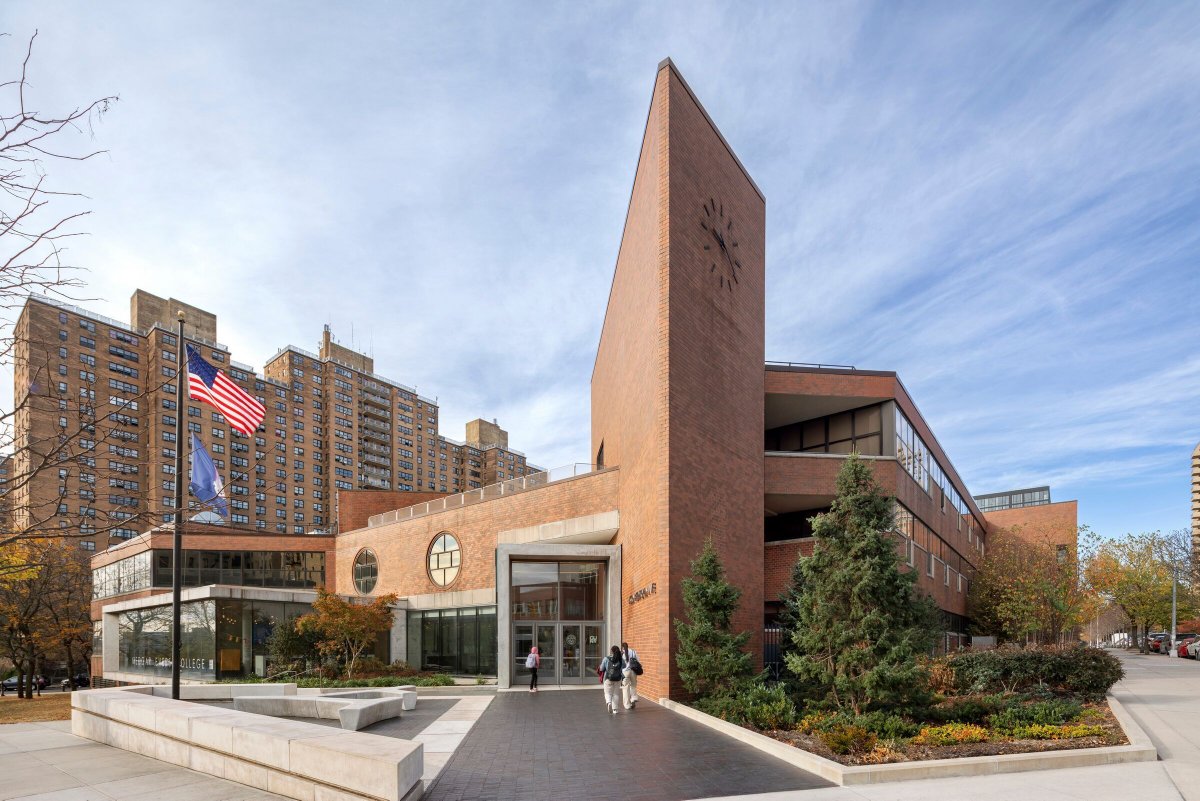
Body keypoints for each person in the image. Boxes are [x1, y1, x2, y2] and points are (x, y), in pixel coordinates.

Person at [599, 645, 624, 714]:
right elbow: (623, 667)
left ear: (611, 651)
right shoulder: (620, 659)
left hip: (608, 678)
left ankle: (609, 702)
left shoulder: (606, 658)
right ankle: (615, 710)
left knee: (607, 692)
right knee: (615, 694)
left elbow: (601, 668)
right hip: (618, 678)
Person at [620, 641, 640, 709]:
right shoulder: (633, 652)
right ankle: (634, 698)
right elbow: (638, 660)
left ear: (622, 647)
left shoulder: (622, 653)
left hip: (625, 672)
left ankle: (627, 705)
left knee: (625, 688)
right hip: (633, 671)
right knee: (633, 685)